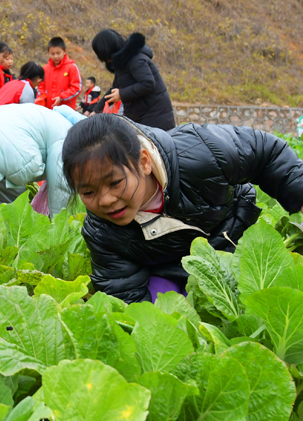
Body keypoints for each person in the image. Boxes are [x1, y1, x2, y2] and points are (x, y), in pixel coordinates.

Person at [62, 114, 303, 304]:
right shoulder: (101, 231)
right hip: (166, 268)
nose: (105, 200)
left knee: (254, 295)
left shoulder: (201, 151)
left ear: (144, 162)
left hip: (230, 239)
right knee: (164, 310)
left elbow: (267, 153)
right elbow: (124, 292)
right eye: (88, 192)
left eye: (115, 182)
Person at [0, 103, 82, 214]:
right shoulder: (67, 135)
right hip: (3, 155)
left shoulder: (51, 117)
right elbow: (60, 184)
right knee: (11, 215)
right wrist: (59, 220)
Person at [88, 30, 175, 130]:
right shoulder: (122, 63)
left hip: (155, 119)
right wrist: (96, 110)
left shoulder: (136, 59)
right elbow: (115, 88)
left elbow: (148, 83)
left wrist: (121, 94)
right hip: (141, 116)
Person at [36, 37, 82, 110]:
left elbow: (76, 88)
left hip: (65, 110)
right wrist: (41, 97)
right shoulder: (45, 68)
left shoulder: (72, 67)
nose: (55, 56)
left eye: (58, 53)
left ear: (65, 51)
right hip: (48, 109)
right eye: (52, 54)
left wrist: (61, 97)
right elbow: (40, 86)